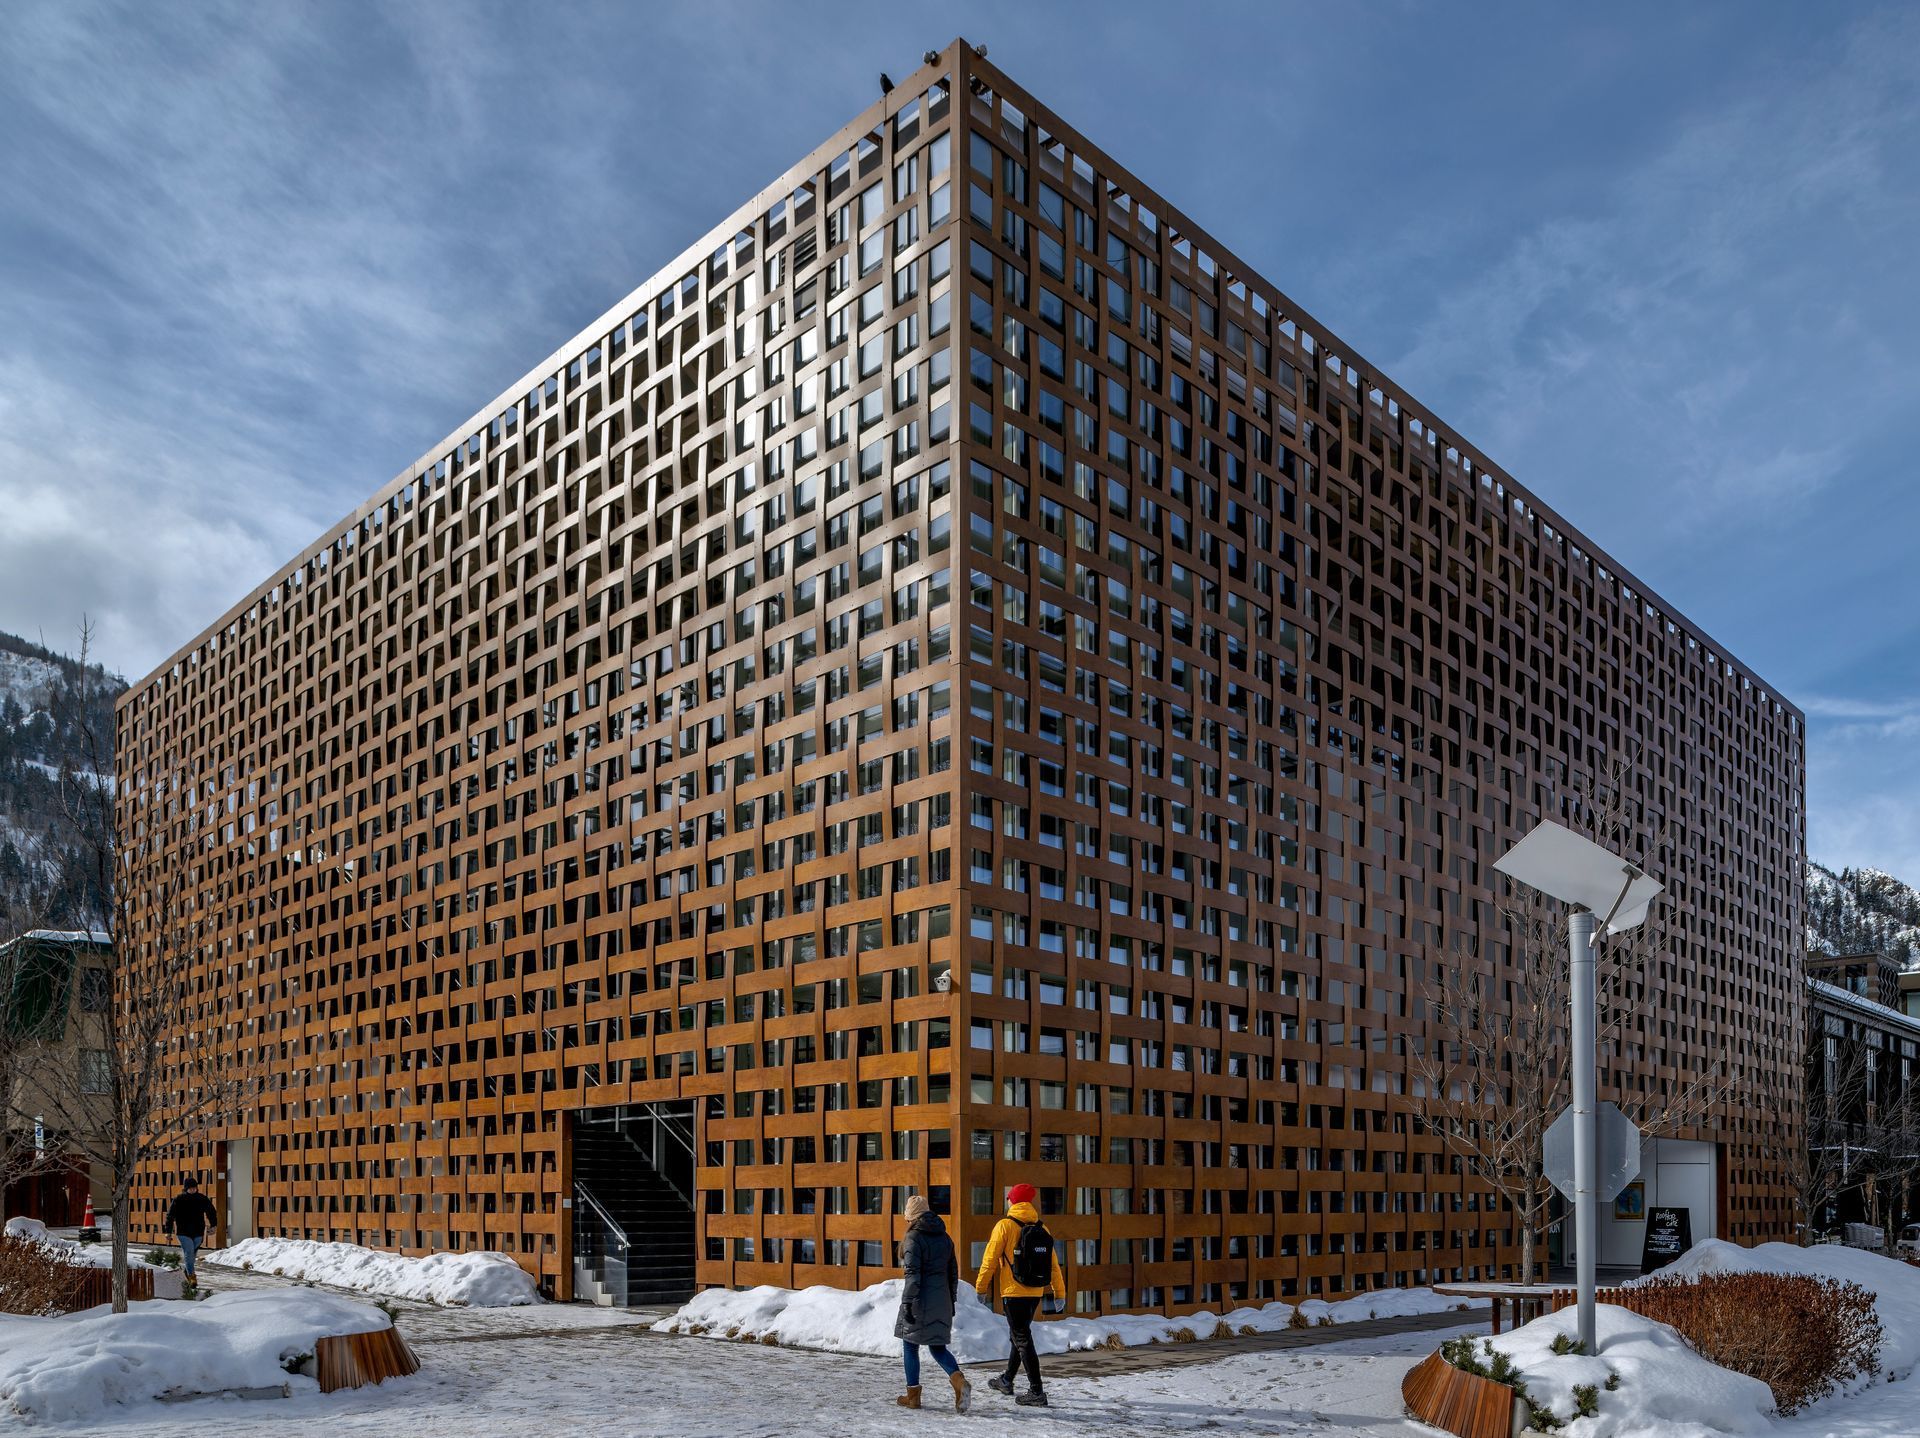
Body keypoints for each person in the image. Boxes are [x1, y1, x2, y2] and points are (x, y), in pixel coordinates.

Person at [974, 1181, 1068, 1407]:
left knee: (1022, 1338)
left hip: (1013, 1292)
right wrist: (1059, 1292)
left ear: (1012, 1201)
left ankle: (1037, 1391)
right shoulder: (1042, 1228)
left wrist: (981, 1287)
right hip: (1035, 1291)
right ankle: (1006, 1380)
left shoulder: (1005, 1226)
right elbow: (1053, 1265)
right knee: (1018, 1335)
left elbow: (989, 1259)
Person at [895, 1194, 970, 1412]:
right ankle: (958, 1381)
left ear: (911, 1217)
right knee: (937, 1347)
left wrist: (908, 1303)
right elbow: (952, 1274)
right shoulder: (945, 1237)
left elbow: (913, 1275)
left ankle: (913, 1397)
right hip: (943, 1300)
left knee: (910, 1345)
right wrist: (952, 1300)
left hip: (920, 1300)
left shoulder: (913, 1239)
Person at [162, 1176, 218, 1285]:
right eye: (190, 1188)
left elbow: (211, 1212)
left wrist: (213, 1225)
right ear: (186, 1188)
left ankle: (187, 1271)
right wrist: (168, 1231)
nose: (193, 1190)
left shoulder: (202, 1198)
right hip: (183, 1232)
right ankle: (192, 1277)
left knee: (191, 1255)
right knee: (189, 1252)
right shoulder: (179, 1199)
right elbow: (170, 1216)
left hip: (198, 1232)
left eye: (194, 1188)